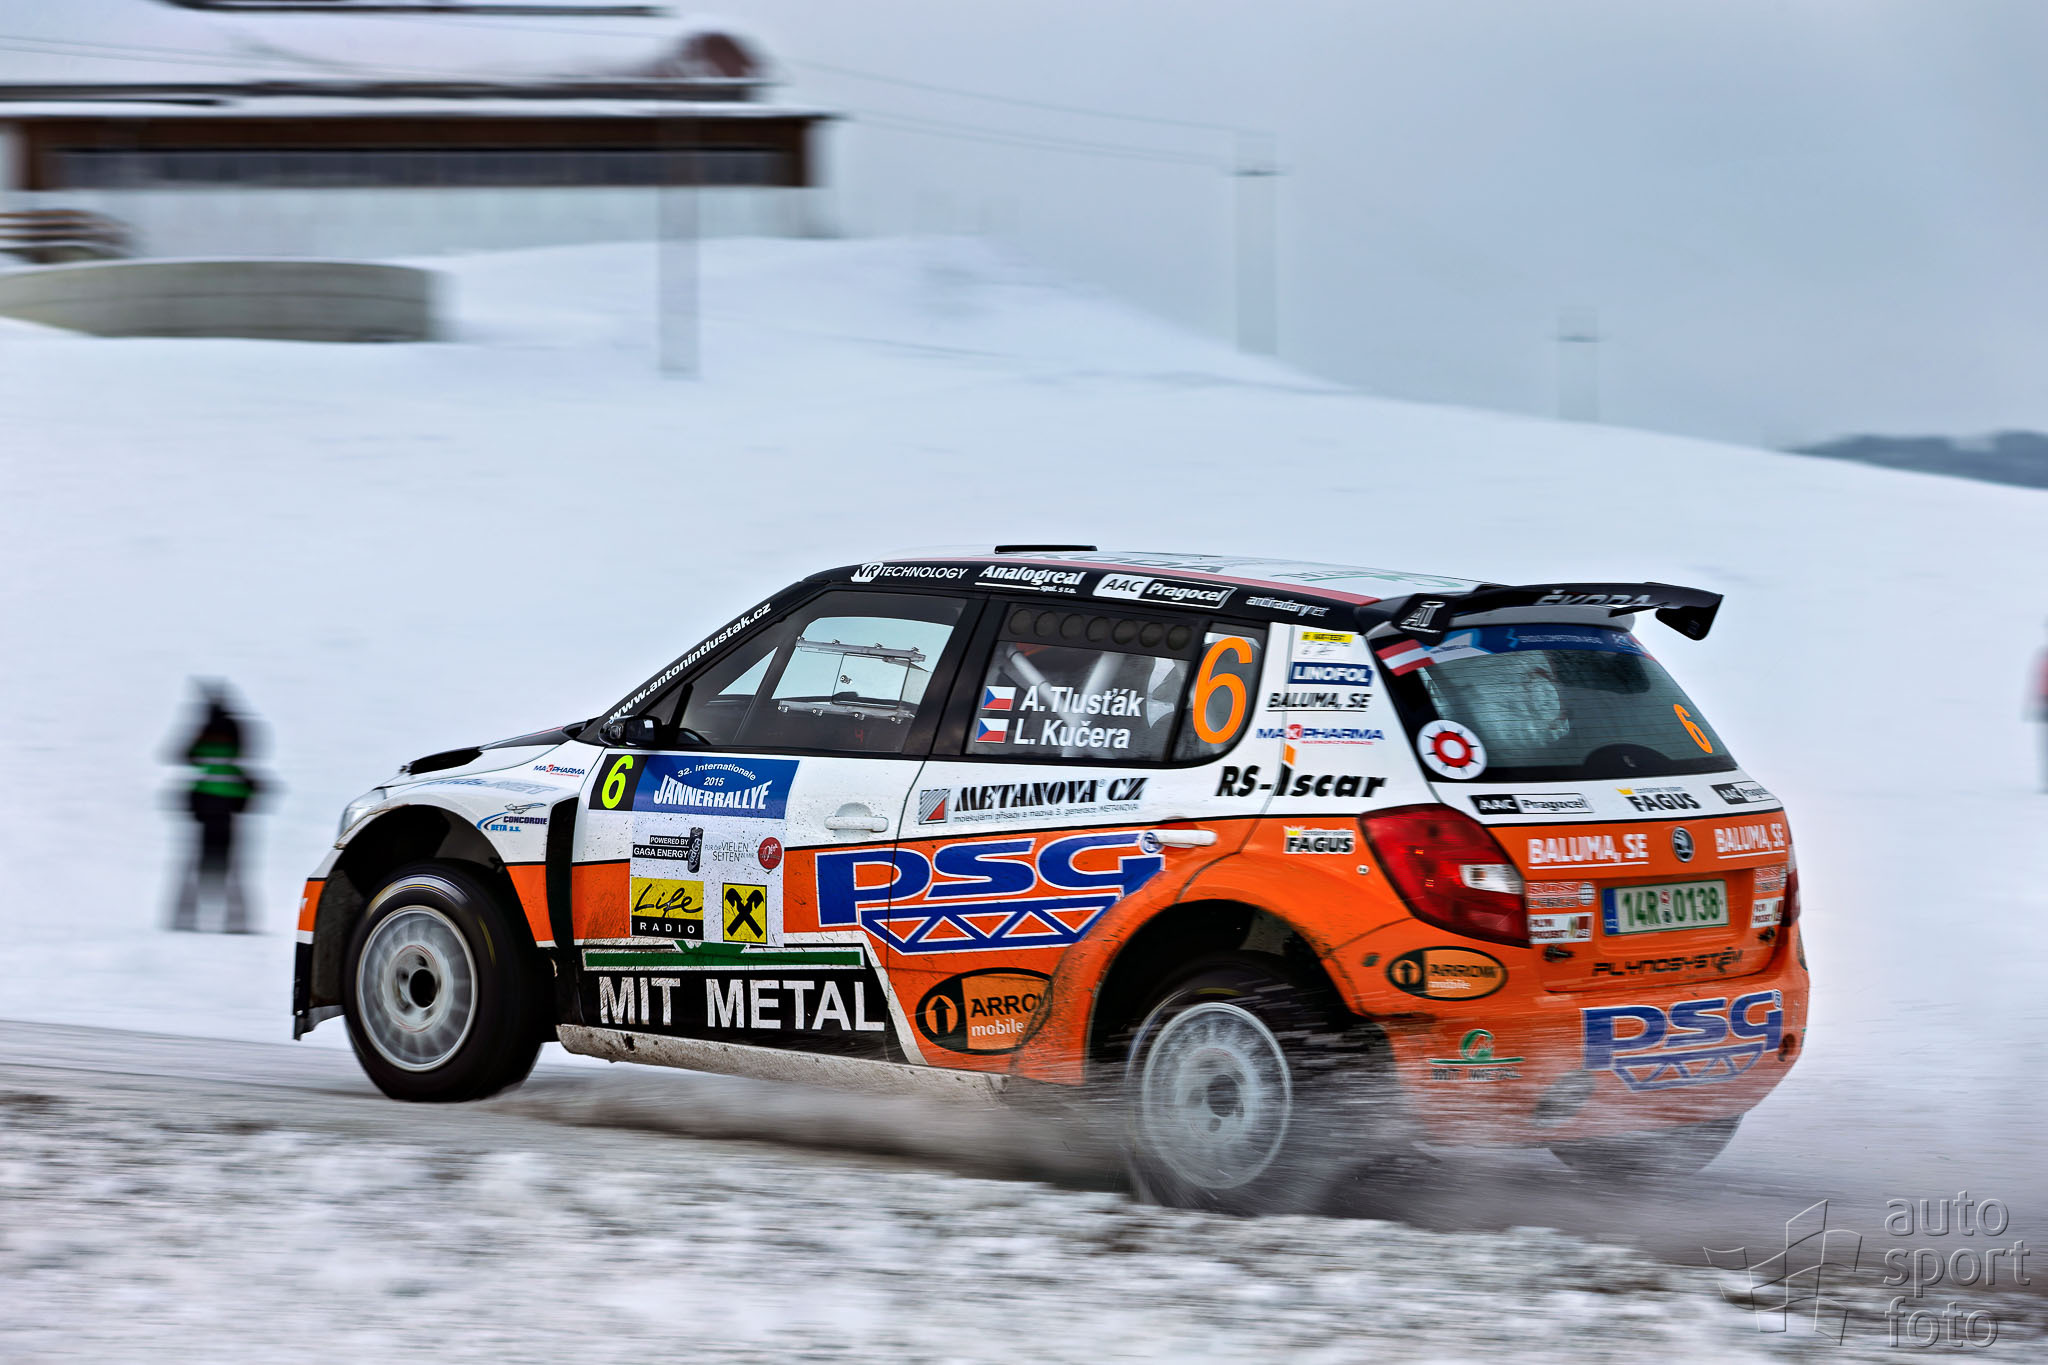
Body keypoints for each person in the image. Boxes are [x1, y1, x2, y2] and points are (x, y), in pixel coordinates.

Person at [170, 683, 263, 933]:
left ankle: (184, 919)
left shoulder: (205, 738)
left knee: (196, 868)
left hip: (207, 814)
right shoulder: (235, 750)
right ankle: (237, 922)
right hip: (227, 815)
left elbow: (183, 755)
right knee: (233, 870)